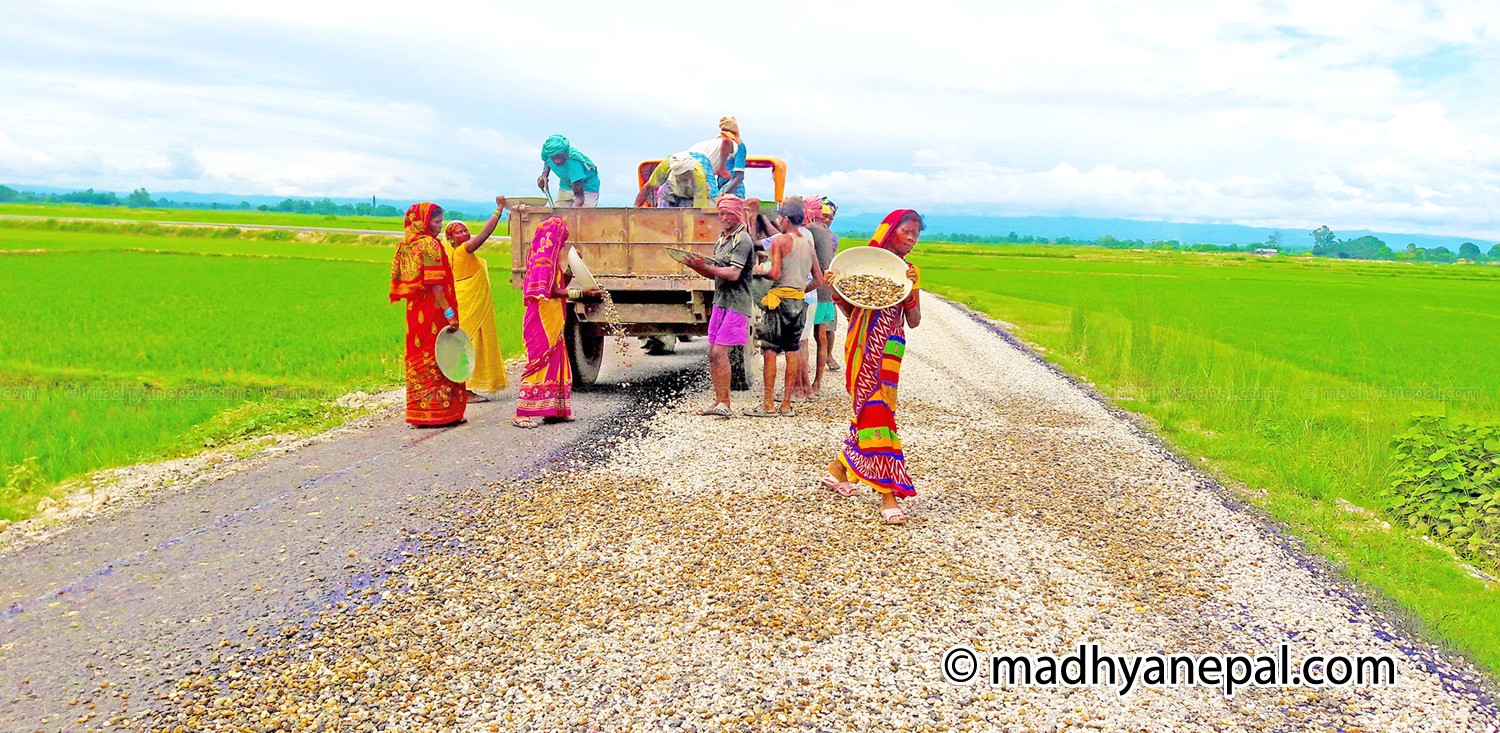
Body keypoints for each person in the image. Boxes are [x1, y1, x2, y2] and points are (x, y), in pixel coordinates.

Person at [821, 209, 925, 525]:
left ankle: (861, 481)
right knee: (872, 413)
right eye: (906, 231)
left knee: (878, 414)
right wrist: (836, 289)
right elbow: (854, 312)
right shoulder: (864, 267)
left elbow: (914, 320)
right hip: (861, 345)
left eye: (916, 234)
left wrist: (912, 291)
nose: (911, 239)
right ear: (889, 231)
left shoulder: (907, 272)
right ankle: (864, 482)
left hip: (890, 346)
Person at [514, 217, 601, 428]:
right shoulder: (543, 260)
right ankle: (522, 413)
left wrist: (572, 268)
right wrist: (581, 294)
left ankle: (554, 411)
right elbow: (550, 291)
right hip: (541, 319)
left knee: (556, 360)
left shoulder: (548, 259)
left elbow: (561, 283)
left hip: (553, 317)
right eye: (562, 238)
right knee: (539, 362)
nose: (563, 243)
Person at [389, 202, 467, 427]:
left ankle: (419, 412)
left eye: (441, 221)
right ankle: (442, 412)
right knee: (442, 354)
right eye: (435, 222)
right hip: (434, 310)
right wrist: (449, 312)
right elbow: (436, 285)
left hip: (415, 312)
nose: (440, 227)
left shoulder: (406, 244)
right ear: (422, 222)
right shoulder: (430, 245)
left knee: (419, 351)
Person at [745, 200, 823, 418]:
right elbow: (819, 279)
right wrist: (799, 290)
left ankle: (768, 404)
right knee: (792, 351)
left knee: (770, 352)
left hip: (778, 301)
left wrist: (759, 271)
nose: (778, 221)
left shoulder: (780, 241)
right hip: (799, 302)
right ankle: (786, 405)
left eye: (780, 218)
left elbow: (776, 273)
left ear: (787, 220)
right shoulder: (807, 244)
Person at [682, 195, 756, 417]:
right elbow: (715, 272)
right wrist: (697, 266)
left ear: (737, 215)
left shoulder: (742, 240)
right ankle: (718, 401)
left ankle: (725, 403)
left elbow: (733, 274)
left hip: (736, 303)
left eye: (728, 214)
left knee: (719, 350)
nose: (724, 218)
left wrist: (705, 267)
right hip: (720, 302)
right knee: (712, 352)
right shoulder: (722, 239)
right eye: (721, 213)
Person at [441, 195, 511, 400]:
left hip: (463, 300)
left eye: (465, 230)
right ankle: (464, 388)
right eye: (458, 232)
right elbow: (485, 234)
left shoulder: (452, 252)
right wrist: (499, 210)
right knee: (468, 343)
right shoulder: (464, 250)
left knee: (469, 342)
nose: (464, 234)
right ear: (451, 239)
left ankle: (463, 385)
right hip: (468, 301)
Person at [804, 195, 839, 394]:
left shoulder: (811, 230)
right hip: (825, 289)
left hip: (816, 291)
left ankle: (811, 384)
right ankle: (817, 382)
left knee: (808, 338)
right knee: (821, 335)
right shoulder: (825, 232)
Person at [688, 116, 746, 197]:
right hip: (722, 185)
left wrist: (724, 193)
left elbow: (739, 176)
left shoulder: (739, 146)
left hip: (733, 188)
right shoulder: (719, 145)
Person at [537, 135, 600, 208]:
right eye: (553, 157)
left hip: (587, 187)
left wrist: (572, 214)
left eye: (560, 157)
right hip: (566, 185)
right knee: (558, 214)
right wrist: (544, 175)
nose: (557, 161)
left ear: (566, 154)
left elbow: (580, 199)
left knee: (582, 216)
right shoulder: (548, 154)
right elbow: (547, 161)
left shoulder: (574, 164)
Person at [635, 152, 713, 208]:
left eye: (686, 176)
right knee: (663, 193)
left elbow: (698, 211)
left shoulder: (699, 179)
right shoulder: (666, 166)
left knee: (687, 214)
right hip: (671, 190)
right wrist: (635, 208)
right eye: (681, 176)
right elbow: (648, 187)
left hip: (691, 196)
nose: (684, 178)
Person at [822, 199, 842, 373]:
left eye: (829, 216)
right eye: (823, 215)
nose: (826, 219)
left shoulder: (832, 237)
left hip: (825, 282)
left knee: (829, 324)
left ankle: (828, 355)